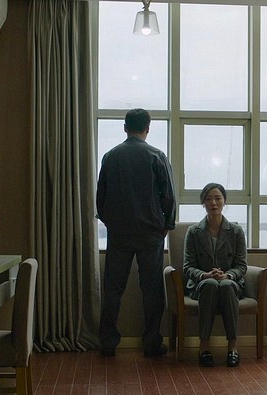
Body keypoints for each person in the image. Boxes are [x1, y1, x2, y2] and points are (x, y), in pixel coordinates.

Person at [96, 108, 176, 357]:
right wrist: (166, 225)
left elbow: (101, 199)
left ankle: (108, 342)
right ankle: (151, 343)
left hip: (119, 233)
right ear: (147, 129)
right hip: (150, 232)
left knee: (113, 289)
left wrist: (112, 223)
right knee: (151, 290)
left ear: (125, 128)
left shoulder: (111, 156)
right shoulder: (156, 155)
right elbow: (168, 196)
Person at [183, 183, 247, 367]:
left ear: (224, 201)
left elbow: (241, 265)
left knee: (226, 286)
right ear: (203, 203)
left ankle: (233, 347)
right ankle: (204, 346)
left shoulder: (236, 231)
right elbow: (188, 266)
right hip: (202, 284)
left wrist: (228, 276)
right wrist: (205, 275)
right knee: (210, 285)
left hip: (230, 283)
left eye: (218, 198)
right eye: (209, 199)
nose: (213, 203)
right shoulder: (194, 232)